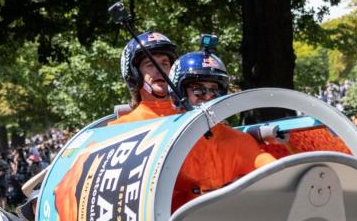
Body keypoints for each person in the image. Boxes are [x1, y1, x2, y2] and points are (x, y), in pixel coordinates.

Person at [166, 49, 275, 211]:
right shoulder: (164, 140)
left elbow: (275, 171)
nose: (208, 96)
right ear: (179, 93)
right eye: (198, 90)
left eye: (214, 90)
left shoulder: (239, 141)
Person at [109, 32, 179, 125]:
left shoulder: (193, 116)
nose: (160, 70)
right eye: (150, 65)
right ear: (134, 74)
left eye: (164, 63)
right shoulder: (121, 126)